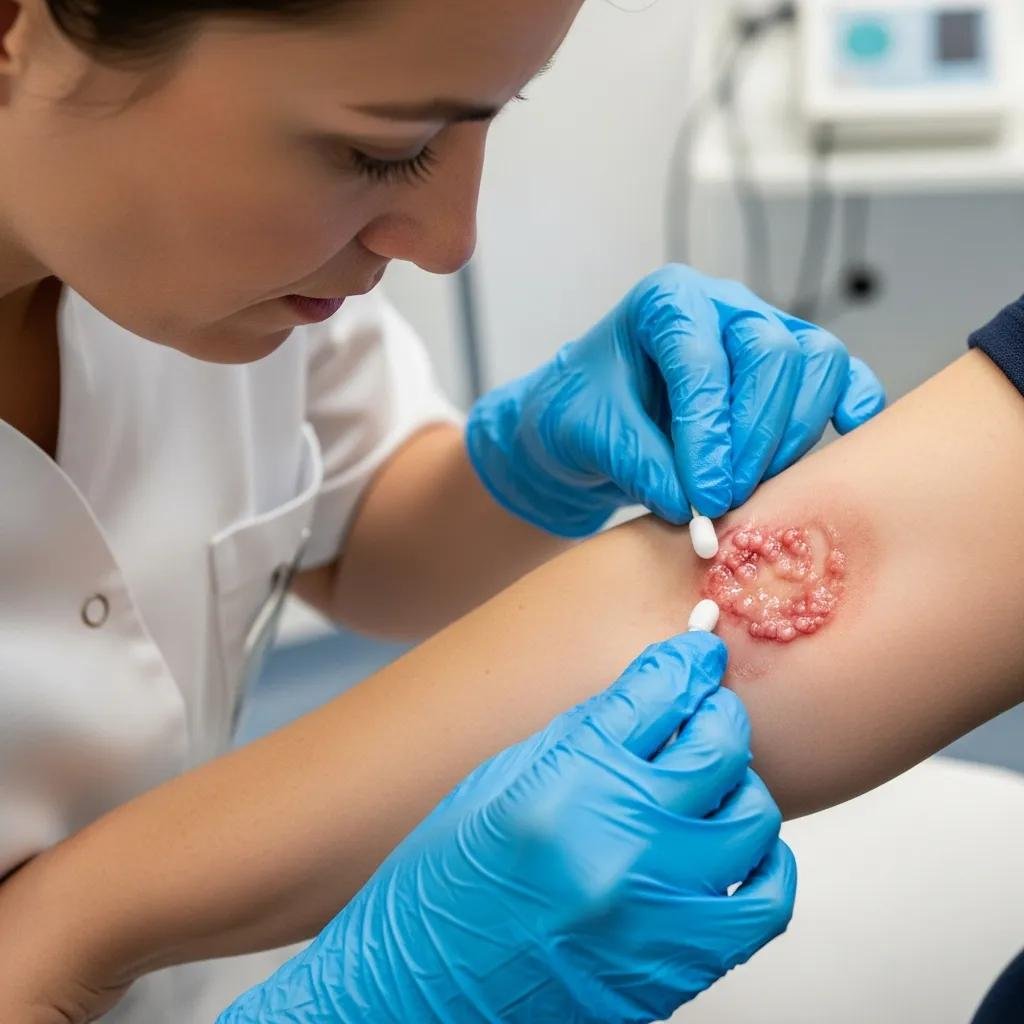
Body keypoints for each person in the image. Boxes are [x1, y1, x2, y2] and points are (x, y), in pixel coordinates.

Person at [0, 0, 888, 1020]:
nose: (447, 243)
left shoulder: (198, 269)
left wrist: (527, 463)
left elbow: (359, 527)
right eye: (384, 151)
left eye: (489, 115)